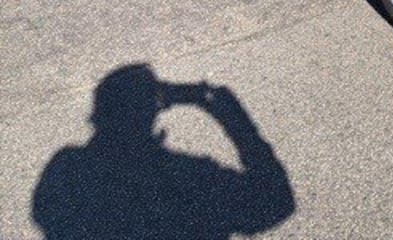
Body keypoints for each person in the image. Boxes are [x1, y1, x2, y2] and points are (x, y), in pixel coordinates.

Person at [33, 64, 294, 240]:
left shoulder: (67, 171)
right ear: (155, 110)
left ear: (100, 114)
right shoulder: (192, 181)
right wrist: (233, 116)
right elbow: (276, 201)